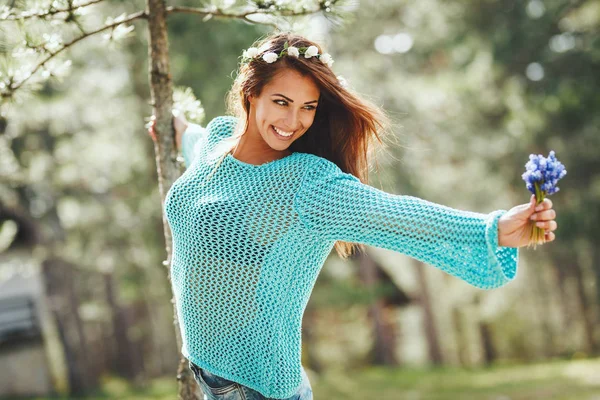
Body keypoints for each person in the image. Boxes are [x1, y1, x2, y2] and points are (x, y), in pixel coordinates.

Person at [148, 31, 557, 400]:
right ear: (250, 94)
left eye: (307, 108)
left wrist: (492, 230)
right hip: (208, 369)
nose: (293, 122)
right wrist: (179, 129)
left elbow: (395, 215)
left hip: (253, 386)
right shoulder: (217, 141)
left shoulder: (307, 183)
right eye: (281, 102)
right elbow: (197, 148)